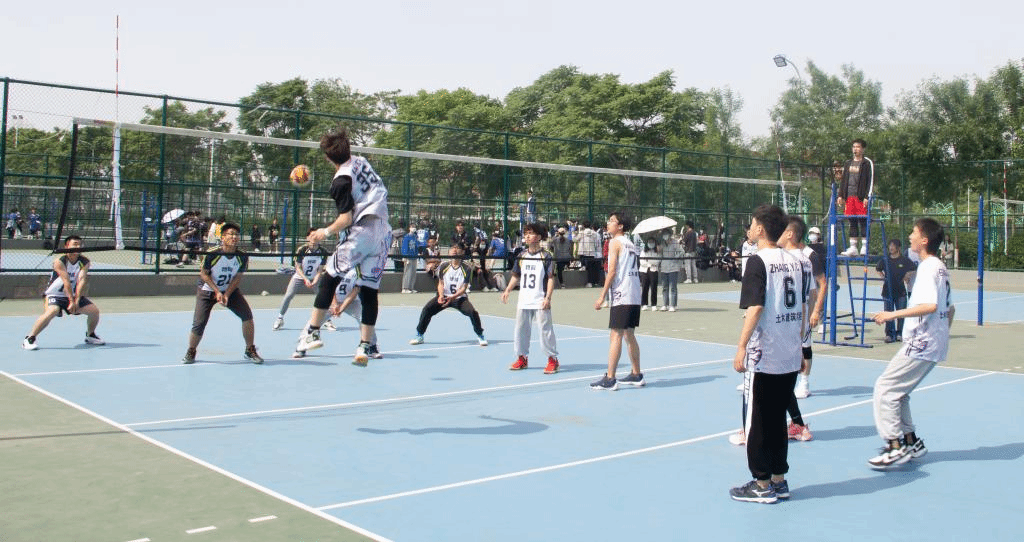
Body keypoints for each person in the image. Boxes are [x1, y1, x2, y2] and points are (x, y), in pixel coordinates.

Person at [294, 128, 392, 366]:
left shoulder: (340, 182)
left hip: (361, 233)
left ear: (328, 157)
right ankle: (365, 346)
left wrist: (324, 232)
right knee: (369, 291)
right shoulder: (361, 161)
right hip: (383, 233)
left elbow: (346, 219)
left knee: (329, 279)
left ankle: (313, 332)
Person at [729, 204, 804, 504]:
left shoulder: (758, 261)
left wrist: (741, 346)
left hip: (766, 354)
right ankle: (778, 479)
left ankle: (761, 483)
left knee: (758, 421)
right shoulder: (796, 261)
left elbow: (756, 307)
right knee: (777, 420)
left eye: (751, 223)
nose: (749, 228)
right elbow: (803, 305)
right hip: (790, 351)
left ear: (760, 228)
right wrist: (800, 344)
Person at [868, 218, 954, 469]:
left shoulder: (928, 268)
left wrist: (891, 315)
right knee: (900, 392)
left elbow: (930, 305)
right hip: (931, 341)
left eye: (914, 233)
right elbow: (950, 309)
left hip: (922, 342)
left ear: (924, 240)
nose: (909, 237)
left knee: (885, 388)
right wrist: (940, 335)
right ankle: (910, 441)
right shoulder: (940, 268)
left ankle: (894, 446)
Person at [181, 222, 263, 364]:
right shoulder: (212, 254)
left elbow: (237, 277)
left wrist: (227, 294)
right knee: (199, 323)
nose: (234, 237)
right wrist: (217, 291)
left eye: (236, 234)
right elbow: (204, 274)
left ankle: (250, 349)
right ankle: (191, 350)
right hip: (208, 290)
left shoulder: (242, 256)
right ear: (223, 237)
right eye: (231, 234)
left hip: (229, 291)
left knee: (247, 317)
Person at [589, 211, 643, 390]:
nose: (608, 223)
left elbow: (611, 271)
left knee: (616, 334)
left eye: (612, 221)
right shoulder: (630, 243)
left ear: (620, 226)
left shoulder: (615, 242)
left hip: (622, 293)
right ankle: (636, 374)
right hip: (634, 293)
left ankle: (610, 378)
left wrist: (602, 296)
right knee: (629, 334)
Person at [22, 235, 105, 350]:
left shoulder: (84, 261)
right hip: (55, 294)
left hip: (73, 295)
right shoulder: (60, 261)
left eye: (80, 244)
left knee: (94, 311)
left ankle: (90, 335)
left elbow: (81, 280)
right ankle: (29, 338)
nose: (78, 246)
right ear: (67, 246)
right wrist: (71, 301)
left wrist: (76, 300)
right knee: (52, 311)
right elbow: (66, 282)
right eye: (75, 244)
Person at [779, 216, 820, 440]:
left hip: (784, 323)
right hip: (798, 321)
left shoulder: (784, 259)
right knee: (783, 379)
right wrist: (808, 320)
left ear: (790, 234)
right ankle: (797, 424)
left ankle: (756, 428)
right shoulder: (805, 260)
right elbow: (811, 294)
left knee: (775, 379)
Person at [501, 222, 560, 374]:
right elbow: (516, 276)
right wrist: (507, 290)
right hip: (524, 299)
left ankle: (552, 359)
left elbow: (551, 278)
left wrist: (548, 298)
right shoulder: (521, 255)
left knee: (545, 331)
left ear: (539, 237)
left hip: (540, 299)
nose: (527, 236)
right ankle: (522, 358)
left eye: (531, 233)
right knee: (520, 330)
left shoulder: (546, 256)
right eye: (526, 233)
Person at [293, 266, 381, 360]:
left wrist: (342, 308)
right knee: (314, 322)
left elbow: (356, 290)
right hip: (332, 300)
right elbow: (330, 287)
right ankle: (302, 346)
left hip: (352, 302)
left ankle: (371, 346)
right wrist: (335, 304)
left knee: (365, 319)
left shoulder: (360, 269)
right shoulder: (337, 266)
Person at [409, 247, 488, 346]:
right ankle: (419, 335)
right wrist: (441, 296)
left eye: (457, 248)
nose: (455, 250)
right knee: (427, 309)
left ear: (462, 252)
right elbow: (440, 283)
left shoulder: (467, 268)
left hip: (459, 298)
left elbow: (464, 288)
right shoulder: (444, 266)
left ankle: (480, 335)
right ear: (449, 252)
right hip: (444, 297)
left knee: (472, 312)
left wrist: (453, 297)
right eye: (452, 248)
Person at [272, 228, 334, 332]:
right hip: (300, 277)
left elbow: (320, 270)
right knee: (288, 296)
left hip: (315, 278)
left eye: (316, 235)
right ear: (307, 238)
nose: (314, 238)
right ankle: (280, 318)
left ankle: (327, 320)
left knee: (322, 298)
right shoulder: (302, 250)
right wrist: (305, 279)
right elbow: (298, 268)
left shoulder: (323, 251)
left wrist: (315, 280)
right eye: (312, 235)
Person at [876, 238, 918, 343]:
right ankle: (889, 334)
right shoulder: (885, 259)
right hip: (887, 291)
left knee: (901, 314)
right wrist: (883, 278)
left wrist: (907, 275)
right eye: (890, 245)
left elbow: (913, 268)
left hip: (900, 292)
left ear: (898, 248)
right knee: (888, 313)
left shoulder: (904, 260)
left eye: (893, 246)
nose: (891, 248)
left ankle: (900, 333)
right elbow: (878, 268)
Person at [839, 139, 874, 256]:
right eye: (854, 147)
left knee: (863, 221)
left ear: (863, 149)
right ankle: (853, 247)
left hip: (861, 198)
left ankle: (864, 247)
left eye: (858, 147)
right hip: (849, 197)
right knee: (852, 221)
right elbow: (843, 180)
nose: (855, 149)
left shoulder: (867, 163)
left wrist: (867, 196)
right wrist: (841, 195)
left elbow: (870, 181)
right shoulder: (848, 163)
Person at [658, 229, 682, 311]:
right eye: (663, 234)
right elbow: (659, 254)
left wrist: (675, 257)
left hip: (673, 267)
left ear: (669, 234)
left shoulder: (675, 242)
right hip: (664, 267)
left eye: (666, 234)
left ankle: (673, 305)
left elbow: (681, 251)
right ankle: (665, 304)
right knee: (665, 287)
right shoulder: (662, 243)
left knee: (673, 287)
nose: (665, 235)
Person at [575, 221, 602, 287]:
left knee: (584, 268)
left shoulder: (581, 233)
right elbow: (596, 243)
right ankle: (591, 282)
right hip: (591, 252)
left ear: (583, 226)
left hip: (583, 253)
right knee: (591, 269)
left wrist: (577, 231)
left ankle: (582, 280)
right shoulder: (594, 233)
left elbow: (575, 240)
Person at [638, 236, 659, 310]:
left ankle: (654, 304)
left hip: (654, 270)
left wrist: (650, 262)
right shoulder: (643, 251)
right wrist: (649, 264)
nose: (651, 243)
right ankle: (644, 304)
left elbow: (657, 261)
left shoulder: (657, 251)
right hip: (644, 270)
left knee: (654, 288)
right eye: (649, 242)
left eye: (652, 242)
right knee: (644, 287)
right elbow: (642, 261)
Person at [400, 224, 419, 293]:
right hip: (408, 257)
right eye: (412, 227)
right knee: (407, 272)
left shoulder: (415, 237)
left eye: (414, 227)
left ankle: (411, 287)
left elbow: (416, 246)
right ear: (409, 228)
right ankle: (405, 288)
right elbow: (404, 247)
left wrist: (417, 255)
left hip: (414, 257)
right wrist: (405, 257)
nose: (413, 228)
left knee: (413, 273)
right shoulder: (406, 237)